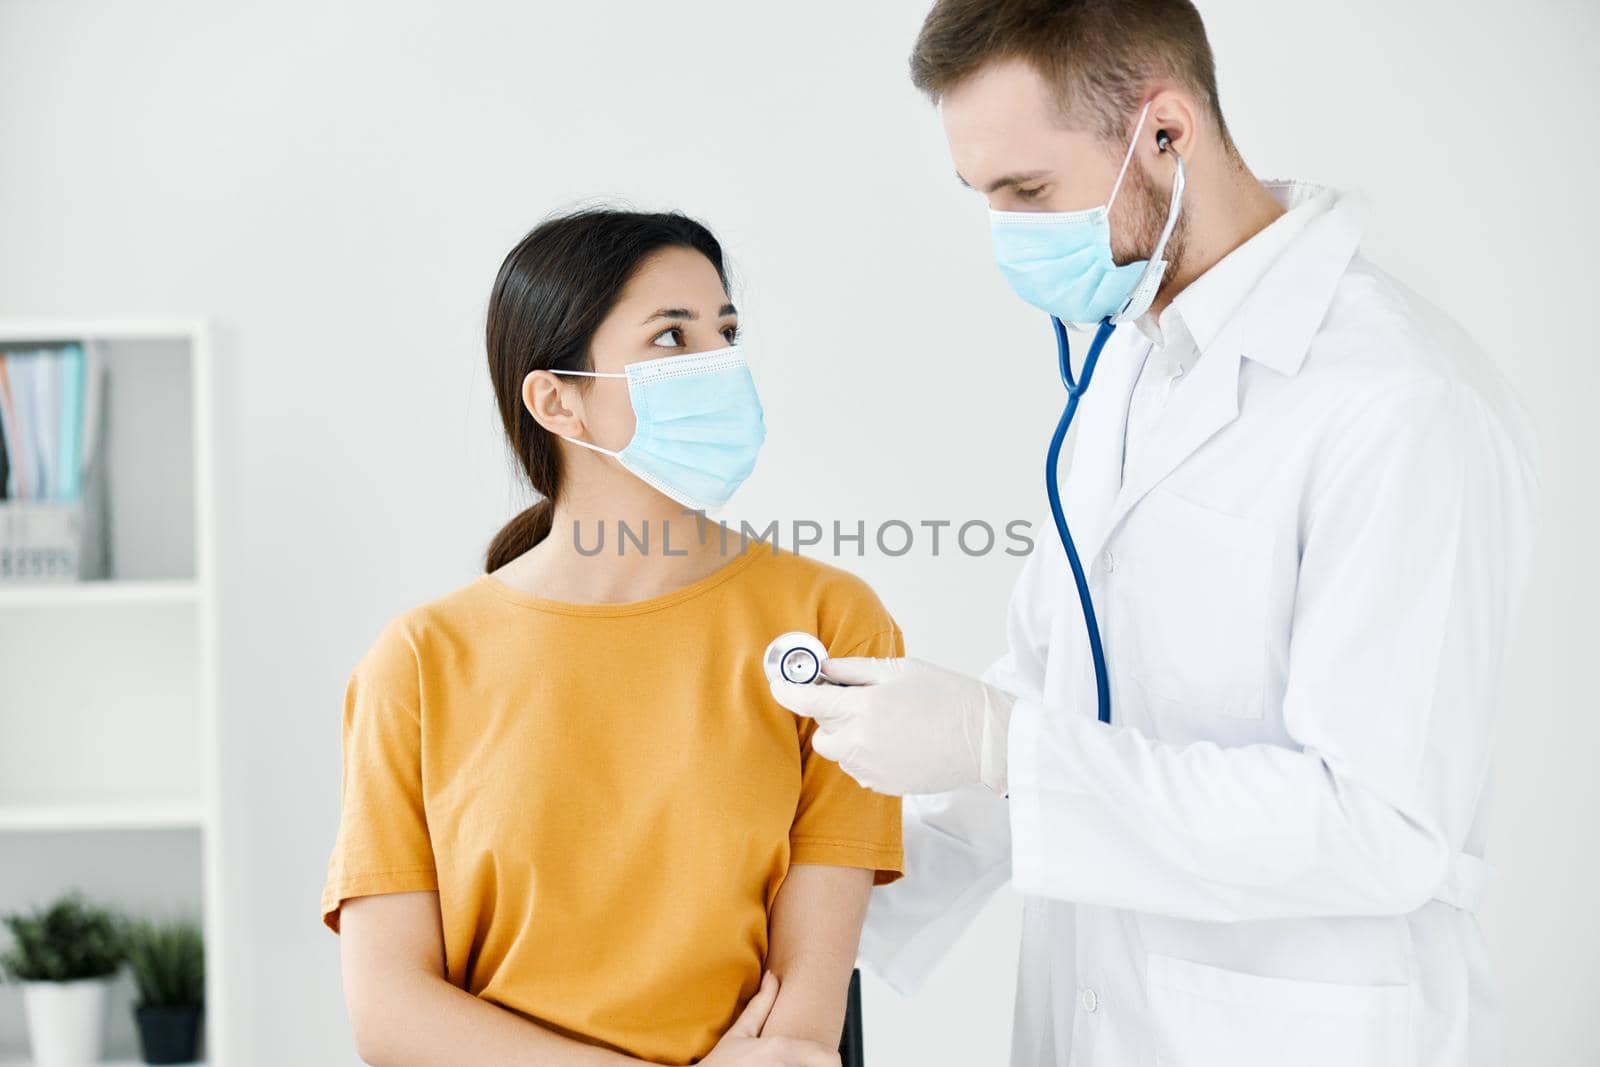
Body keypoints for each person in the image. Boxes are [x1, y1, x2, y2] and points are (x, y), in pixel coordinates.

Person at [769, 3, 1541, 1066]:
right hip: (1096, 1018)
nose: (1009, 235)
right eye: (985, 198)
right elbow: (1052, 690)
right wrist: (810, 918)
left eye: (1028, 192)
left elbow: (1379, 826)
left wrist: (1002, 743)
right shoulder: (1131, 356)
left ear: (1165, 131)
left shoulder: (1397, 400)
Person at [320, 208, 904, 1067]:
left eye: (726, 330)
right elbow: (390, 1012)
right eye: (672, 337)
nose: (719, 363)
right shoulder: (419, 661)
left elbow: (801, 1025)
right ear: (559, 399)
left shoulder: (829, 623)